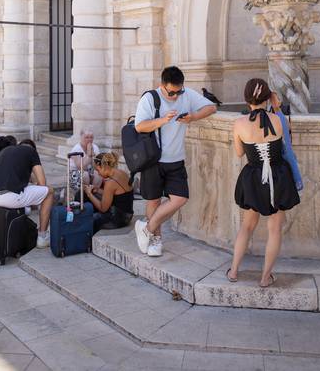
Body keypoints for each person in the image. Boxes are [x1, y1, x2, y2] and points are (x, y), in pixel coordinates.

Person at [134, 65, 217, 257]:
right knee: (154, 200)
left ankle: (147, 228)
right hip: (154, 159)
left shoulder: (186, 94)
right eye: (172, 92)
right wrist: (162, 120)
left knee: (180, 198)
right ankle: (155, 239)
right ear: (162, 86)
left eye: (179, 91)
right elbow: (140, 126)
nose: (175, 96)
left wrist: (193, 117)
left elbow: (211, 107)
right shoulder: (150, 98)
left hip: (176, 159)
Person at [227, 78, 300, 287]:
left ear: (246, 98)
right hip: (278, 178)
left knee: (247, 226)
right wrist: (276, 107)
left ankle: (233, 271)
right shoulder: (278, 120)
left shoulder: (239, 123)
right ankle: (265, 277)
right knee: (275, 229)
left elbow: (240, 152)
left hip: (253, 178)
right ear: (268, 97)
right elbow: (287, 144)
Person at [0, 139, 54, 249]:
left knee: (25, 193)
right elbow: (42, 183)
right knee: (49, 192)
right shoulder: (31, 152)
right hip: (9, 197)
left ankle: (24, 218)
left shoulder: (6, 151)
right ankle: (42, 237)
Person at [83, 152, 133, 233]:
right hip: (127, 213)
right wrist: (97, 190)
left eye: (98, 170)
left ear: (103, 167)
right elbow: (119, 195)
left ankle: (88, 243)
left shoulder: (110, 183)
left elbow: (103, 208)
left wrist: (89, 194)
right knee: (93, 195)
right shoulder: (122, 172)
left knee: (88, 220)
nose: (98, 174)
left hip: (119, 218)